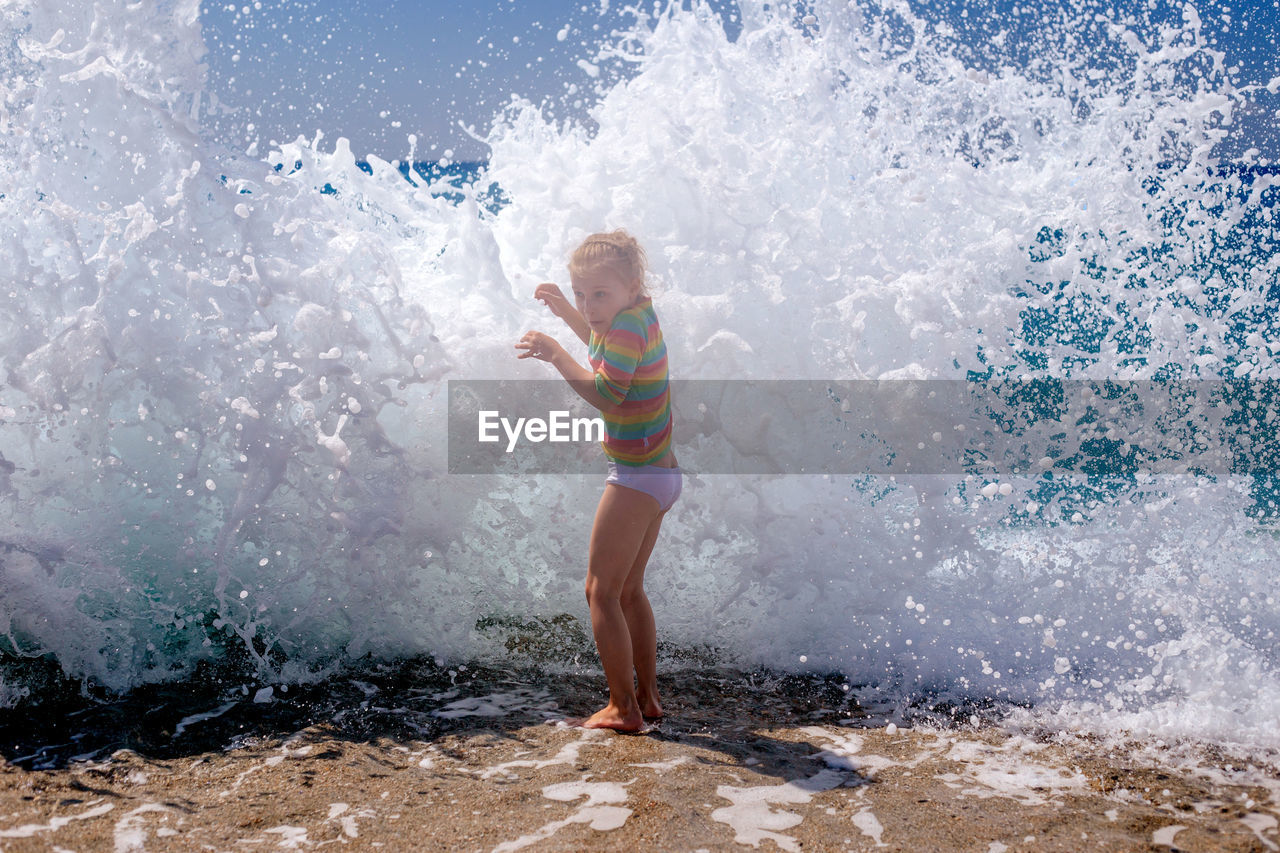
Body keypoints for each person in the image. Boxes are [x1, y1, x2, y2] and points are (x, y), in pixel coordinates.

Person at [515, 229, 681, 732]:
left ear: (632, 284)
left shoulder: (626, 326)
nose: (590, 306)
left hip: (636, 478)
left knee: (599, 591)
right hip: (661, 474)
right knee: (628, 591)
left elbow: (609, 393)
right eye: (583, 293)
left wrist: (555, 355)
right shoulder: (635, 317)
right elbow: (604, 343)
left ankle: (623, 708)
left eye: (599, 294)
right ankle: (647, 697)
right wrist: (566, 309)